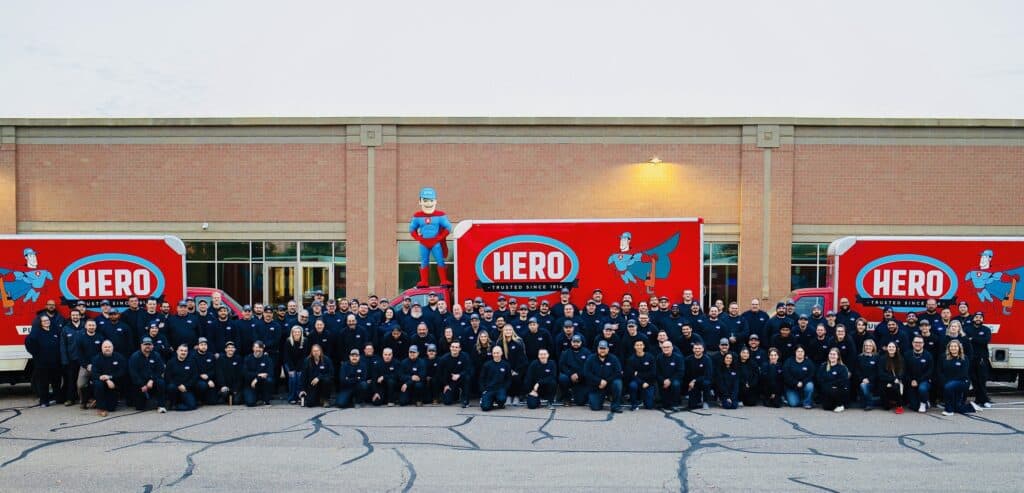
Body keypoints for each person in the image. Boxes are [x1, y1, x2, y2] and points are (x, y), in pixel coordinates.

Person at [25, 315, 62, 407]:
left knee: (56, 382)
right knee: (43, 383)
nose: (47, 322)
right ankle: (44, 401)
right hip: (42, 363)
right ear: (40, 323)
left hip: (55, 362)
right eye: (44, 321)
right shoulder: (36, 333)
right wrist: (37, 354)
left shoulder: (55, 331)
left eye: (47, 320)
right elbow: (29, 344)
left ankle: (57, 398)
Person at [128, 337, 167, 412]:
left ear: (152, 346)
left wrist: (152, 380)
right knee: (139, 407)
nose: (147, 346)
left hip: (153, 381)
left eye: (149, 344)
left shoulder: (156, 355)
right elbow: (133, 374)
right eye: (145, 344)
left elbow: (160, 369)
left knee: (161, 382)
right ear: (141, 345)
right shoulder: (135, 357)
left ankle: (161, 405)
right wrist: (142, 385)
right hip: (140, 384)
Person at [584, 340, 623, 413]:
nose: (602, 350)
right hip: (596, 386)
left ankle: (615, 405)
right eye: (601, 348)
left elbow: (618, 373)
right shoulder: (591, 358)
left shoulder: (614, 358)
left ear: (608, 349)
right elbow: (587, 373)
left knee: (617, 383)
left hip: (610, 385)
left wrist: (606, 381)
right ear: (597, 349)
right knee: (595, 407)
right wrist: (599, 381)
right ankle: (599, 398)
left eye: (604, 348)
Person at [90, 340, 127, 416]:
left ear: (113, 348)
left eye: (109, 347)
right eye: (105, 347)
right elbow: (94, 373)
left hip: (114, 383)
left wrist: (110, 377)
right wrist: (107, 379)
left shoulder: (119, 357)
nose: (107, 348)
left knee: (111, 408)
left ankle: (98, 401)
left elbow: (122, 371)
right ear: (102, 348)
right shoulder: (96, 358)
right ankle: (101, 408)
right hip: (101, 382)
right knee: (98, 384)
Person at [965, 311, 993, 409]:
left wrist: (972, 339)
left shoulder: (986, 329)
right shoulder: (967, 329)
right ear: (973, 319)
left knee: (982, 380)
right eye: (976, 317)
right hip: (971, 358)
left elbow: (986, 340)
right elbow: (966, 341)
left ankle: (984, 400)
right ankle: (978, 399)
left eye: (980, 317)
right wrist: (976, 339)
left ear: (982, 319)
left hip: (982, 358)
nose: (978, 319)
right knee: (974, 380)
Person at [940, 340, 975, 416]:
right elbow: (940, 371)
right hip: (948, 381)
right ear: (948, 348)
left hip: (962, 381)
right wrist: (944, 380)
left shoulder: (964, 358)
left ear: (959, 348)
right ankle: (971, 406)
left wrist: (949, 382)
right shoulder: (943, 357)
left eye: (955, 346)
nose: (953, 348)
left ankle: (949, 410)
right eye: (951, 346)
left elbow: (963, 374)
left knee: (948, 386)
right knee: (958, 408)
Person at [558, 334, 591, 407]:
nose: (575, 344)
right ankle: (567, 398)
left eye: (577, 342)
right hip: (569, 378)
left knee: (580, 402)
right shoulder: (565, 353)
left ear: (581, 343)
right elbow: (562, 366)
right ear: (571, 342)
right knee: (562, 378)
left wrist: (579, 375)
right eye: (574, 342)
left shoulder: (587, 352)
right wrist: (571, 374)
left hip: (582, 379)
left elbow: (588, 367)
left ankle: (578, 393)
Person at [438, 341, 473, 407]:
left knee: (467, 378)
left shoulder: (465, 356)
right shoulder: (444, 359)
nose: (454, 349)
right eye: (453, 347)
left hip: (462, 379)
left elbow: (469, 369)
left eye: (456, 347)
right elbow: (440, 373)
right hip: (450, 381)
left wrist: (459, 375)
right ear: (450, 348)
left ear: (460, 349)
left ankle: (465, 399)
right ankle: (455, 394)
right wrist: (445, 385)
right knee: (447, 402)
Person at [904, 336, 934, 413]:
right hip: (911, 382)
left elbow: (929, 371)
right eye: (916, 342)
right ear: (912, 343)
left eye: (920, 342)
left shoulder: (928, 355)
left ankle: (923, 403)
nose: (918, 344)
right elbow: (904, 370)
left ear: (923, 344)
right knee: (914, 407)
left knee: (922, 389)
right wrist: (911, 380)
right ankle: (925, 401)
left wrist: (918, 381)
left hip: (924, 381)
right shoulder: (907, 355)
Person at [164, 344, 199, 411]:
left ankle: (176, 406)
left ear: (187, 352)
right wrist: (178, 385)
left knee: (192, 406)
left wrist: (186, 386)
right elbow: (167, 377)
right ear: (177, 351)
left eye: (185, 351)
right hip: (175, 388)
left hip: (186, 388)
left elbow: (195, 377)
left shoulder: (191, 362)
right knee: (171, 387)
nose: (183, 352)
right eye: (181, 350)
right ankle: (172, 402)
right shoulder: (171, 362)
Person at [625, 340, 657, 411]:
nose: (639, 347)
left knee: (649, 406)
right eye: (637, 345)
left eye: (641, 345)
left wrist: (640, 375)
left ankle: (643, 399)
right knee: (632, 385)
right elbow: (631, 375)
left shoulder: (650, 357)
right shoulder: (631, 359)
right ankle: (634, 404)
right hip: (637, 381)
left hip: (649, 382)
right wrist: (642, 382)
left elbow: (653, 373)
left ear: (643, 346)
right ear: (634, 347)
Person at [654, 340, 685, 411]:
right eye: (664, 347)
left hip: (675, 379)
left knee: (676, 384)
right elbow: (657, 372)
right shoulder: (659, 357)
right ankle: (663, 402)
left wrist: (670, 380)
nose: (666, 349)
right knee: (665, 404)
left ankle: (675, 404)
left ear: (672, 348)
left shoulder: (678, 358)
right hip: (663, 379)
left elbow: (680, 372)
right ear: (662, 348)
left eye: (668, 347)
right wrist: (663, 380)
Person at [817, 348, 850, 412]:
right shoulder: (823, 366)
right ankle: (835, 404)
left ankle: (840, 405)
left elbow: (843, 381)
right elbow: (819, 379)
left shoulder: (842, 368)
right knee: (826, 407)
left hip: (839, 390)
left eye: (834, 354)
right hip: (826, 390)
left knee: (834, 390)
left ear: (838, 356)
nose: (832, 356)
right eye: (831, 354)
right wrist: (829, 386)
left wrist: (831, 385)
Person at [479, 346, 512, 411]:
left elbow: (509, 379)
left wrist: (504, 388)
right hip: (489, 389)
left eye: (497, 353)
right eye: (494, 353)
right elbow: (481, 379)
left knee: (502, 399)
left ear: (501, 353)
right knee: (485, 408)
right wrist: (483, 390)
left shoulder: (506, 365)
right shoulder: (487, 365)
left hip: (500, 389)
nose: (496, 355)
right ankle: (487, 401)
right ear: (492, 353)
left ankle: (497, 402)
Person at [243, 341, 274, 407]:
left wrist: (257, 379)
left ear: (263, 349)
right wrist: (258, 375)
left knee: (269, 380)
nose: (258, 349)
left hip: (262, 384)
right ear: (253, 348)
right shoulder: (247, 359)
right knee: (250, 403)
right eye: (256, 347)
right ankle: (256, 397)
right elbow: (245, 374)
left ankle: (265, 398)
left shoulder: (268, 359)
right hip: (250, 384)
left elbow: (270, 374)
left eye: (260, 347)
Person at [684, 342, 714, 410]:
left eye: (699, 348)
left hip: (703, 381)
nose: (697, 350)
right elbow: (686, 374)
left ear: (703, 349)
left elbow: (708, 375)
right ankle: (698, 398)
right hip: (692, 384)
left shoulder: (707, 359)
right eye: (696, 348)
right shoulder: (688, 359)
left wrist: (695, 380)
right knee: (692, 405)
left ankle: (706, 402)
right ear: (693, 349)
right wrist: (688, 385)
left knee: (706, 383)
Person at [282, 326, 308, 404]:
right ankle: (291, 397)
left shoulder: (305, 341)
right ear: (292, 333)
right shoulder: (288, 341)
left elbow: (304, 355)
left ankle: (299, 396)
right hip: (289, 363)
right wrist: (292, 369)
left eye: (298, 332)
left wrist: (299, 368)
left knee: (299, 377)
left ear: (301, 333)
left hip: (301, 363)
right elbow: (287, 356)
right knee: (293, 377)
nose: (297, 333)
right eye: (295, 332)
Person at [878, 341, 906, 414]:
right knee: (886, 408)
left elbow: (902, 372)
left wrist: (896, 380)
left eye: (893, 347)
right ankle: (889, 402)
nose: (891, 348)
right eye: (889, 347)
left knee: (896, 386)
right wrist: (891, 380)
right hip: (885, 380)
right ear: (887, 348)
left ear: (896, 349)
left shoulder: (900, 359)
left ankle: (899, 406)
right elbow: (881, 373)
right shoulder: (882, 359)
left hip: (897, 381)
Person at [192, 338, 219, 405]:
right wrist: (203, 377)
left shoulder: (211, 355)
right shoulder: (193, 356)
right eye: (201, 345)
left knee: (213, 402)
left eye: (205, 345)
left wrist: (209, 378)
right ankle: (198, 399)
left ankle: (207, 398)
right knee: (202, 385)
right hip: (197, 379)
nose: (203, 346)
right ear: (198, 346)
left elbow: (214, 369)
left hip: (209, 379)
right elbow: (193, 370)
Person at [856, 339, 880, 410]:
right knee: (863, 386)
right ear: (864, 347)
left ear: (873, 347)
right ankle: (870, 401)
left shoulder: (877, 357)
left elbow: (877, 371)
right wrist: (862, 379)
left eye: (870, 345)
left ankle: (870, 403)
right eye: (866, 345)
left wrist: (869, 379)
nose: (868, 347)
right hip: (862, 381)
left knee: (864, 386)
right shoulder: (859, 357)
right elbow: (857, 371)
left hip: (873, 382)